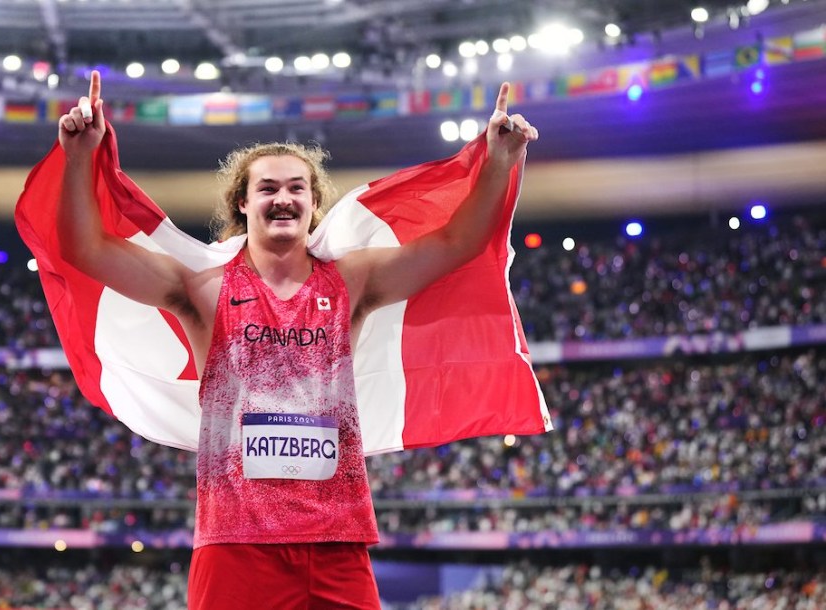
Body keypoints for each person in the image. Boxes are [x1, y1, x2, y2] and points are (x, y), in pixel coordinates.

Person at [55, 70, 538, 609]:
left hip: (336, 540)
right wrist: (81, 156)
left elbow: (457, 243)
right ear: (242, 203)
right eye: (267, 188)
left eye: (296, 188)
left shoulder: (352, 282)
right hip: (235, 544)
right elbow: (84, 251)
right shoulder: (203, 289)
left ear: (313, 204)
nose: (282, 198)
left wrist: (498, 161)